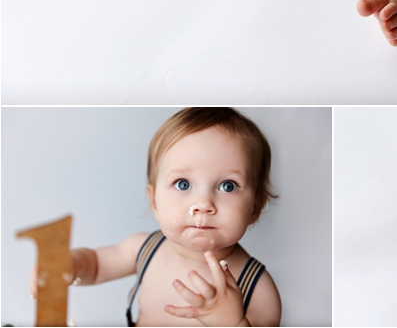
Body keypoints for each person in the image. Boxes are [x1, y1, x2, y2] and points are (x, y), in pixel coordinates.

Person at [31, 108, 281, 327]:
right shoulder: (145, 249)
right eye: (183, 184)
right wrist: (70, 264)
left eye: (228, 186)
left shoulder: (258, 289)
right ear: (154, 202)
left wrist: (233, 322)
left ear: (255, 208)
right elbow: (94, 266)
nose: (203, 205)